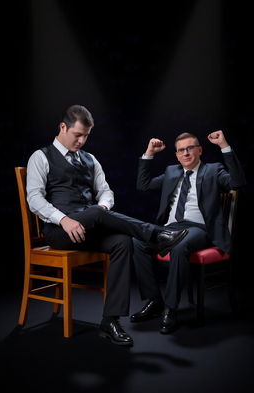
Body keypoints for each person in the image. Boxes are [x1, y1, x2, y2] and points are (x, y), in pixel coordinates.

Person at [26, 104, 188, 347]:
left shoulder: (91, 159)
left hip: (89, 228)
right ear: (62, 127)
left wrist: (101, 208)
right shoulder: (40, 157)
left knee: (122, 242)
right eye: (77, 135)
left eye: (86, 136)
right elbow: (34, 198)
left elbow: (106, 192)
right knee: (98, 213)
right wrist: (64, 219)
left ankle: (109, 320)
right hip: (59, 232)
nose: (81, 141)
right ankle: (156, 235)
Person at [130, 130, 246, 333]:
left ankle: (171, 308)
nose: (185, 153)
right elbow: (143, 185)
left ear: (199, 150)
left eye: (190, 148)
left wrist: (224, 146)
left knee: (180, 246)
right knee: (137, 242)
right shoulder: (171, 172)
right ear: (176, 155)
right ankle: (155, 301)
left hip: (198, 229)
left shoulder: (213, 170)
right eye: (181, 150)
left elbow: (237, 183)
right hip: (170, 229)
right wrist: (149, 153)